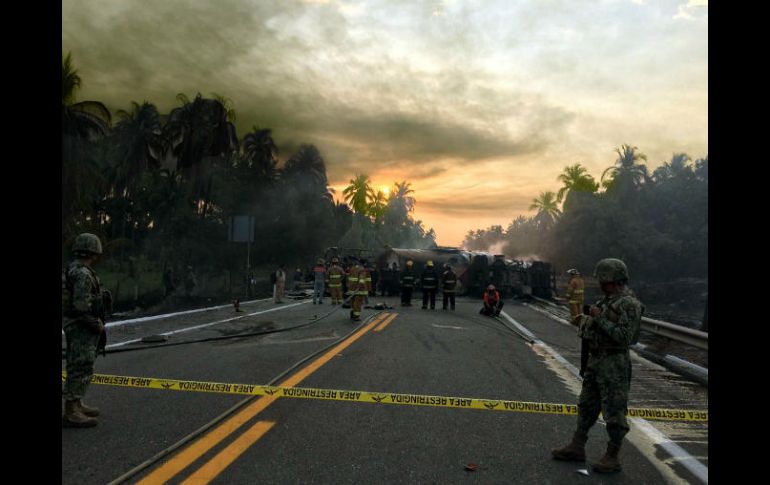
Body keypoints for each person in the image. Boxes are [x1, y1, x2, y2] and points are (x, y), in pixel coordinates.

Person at [551, 258, 643, 473]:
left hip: (614, 363)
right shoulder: (605, 302)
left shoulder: (629, 304)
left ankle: (612, 456)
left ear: (611, 279)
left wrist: (599, 318)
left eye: (602, 278)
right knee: (587, 404)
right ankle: (577, 446)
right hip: (596, 360)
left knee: (614, 410)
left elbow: (625, 337)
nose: (600, 282)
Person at [62, 233, 111, 428]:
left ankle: (77, 402)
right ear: (93, 250)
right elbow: (81, 306)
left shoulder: (75, 269)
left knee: (79, 363)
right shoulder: (82, 273)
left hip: (77, 323)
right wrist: (95, 323)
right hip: (81, 324)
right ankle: (72, 410)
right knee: (81, 365)